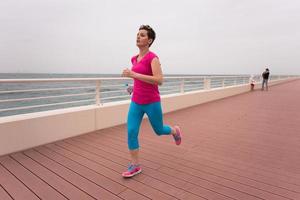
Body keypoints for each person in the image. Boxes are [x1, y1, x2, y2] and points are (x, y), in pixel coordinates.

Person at [121, 25, 182, 178]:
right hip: (136, 102)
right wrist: (133, 87)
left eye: (142, 35)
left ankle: (174, 131)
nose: (138, 37)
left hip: (151, 102)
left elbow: (159, 80)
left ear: (149, 40)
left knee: (159, 130)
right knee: (131, 131)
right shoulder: (134, 58)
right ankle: (135, 165)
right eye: (137, 34)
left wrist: (133, 74)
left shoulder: (153, 58)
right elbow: (139, 79)